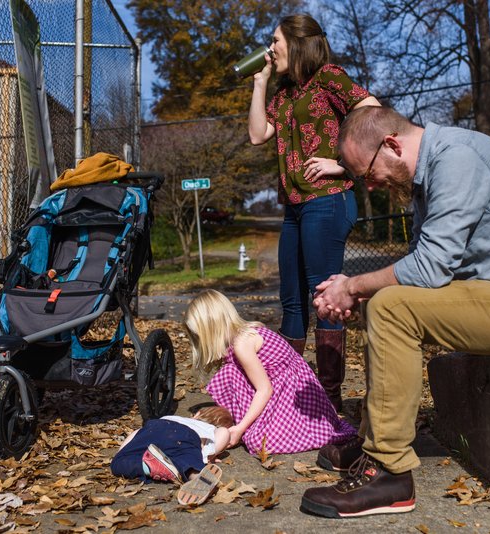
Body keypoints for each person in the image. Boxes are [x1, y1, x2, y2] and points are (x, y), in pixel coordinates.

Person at [299, 106, 490, 518]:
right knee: (380, 306)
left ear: (391, 144)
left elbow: (430, 268)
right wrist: (355, 300)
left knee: (388, 307)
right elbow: (419, 274)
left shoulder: (457, 159)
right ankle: (374, 442)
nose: (370, 186)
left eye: (367, 173)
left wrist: (351, 286)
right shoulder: (428, 177)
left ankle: (389, 473)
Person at [247, 13, 380, 411]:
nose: (270, 48)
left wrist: (343, 163)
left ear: (297, 41)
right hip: (294, 207)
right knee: (292, 300)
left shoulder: (329, 78)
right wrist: (260, 82)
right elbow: (257, 135)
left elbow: (372, 111)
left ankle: (329, 398)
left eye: (275, 40)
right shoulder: (284, 93)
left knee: (325, 297)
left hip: (327, 199)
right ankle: (289, 392)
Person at [183, 289, 358, 455]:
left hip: (294, 397)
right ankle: (250, 421)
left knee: (258, 441)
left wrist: (241, 428)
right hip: (285, 388)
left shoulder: (242, 343)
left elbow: (265, 389)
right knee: (229, 372)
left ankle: (262, 424)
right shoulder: (242, 335)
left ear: (211, 328)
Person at [110, 406, 232, 505]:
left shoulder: (171, 417)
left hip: (154, 427)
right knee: (186, 461)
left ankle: (149, 465)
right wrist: (208, 455)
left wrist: (122, 451)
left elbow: (137, 433)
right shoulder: (209, 428)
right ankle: (196, 476)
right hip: (185, 435)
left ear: (197, 414)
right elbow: (224, 433)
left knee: (119, 464)